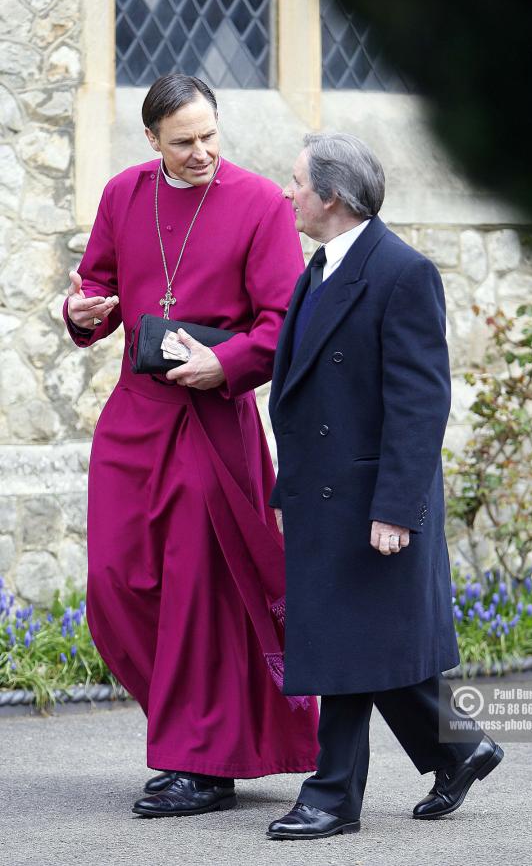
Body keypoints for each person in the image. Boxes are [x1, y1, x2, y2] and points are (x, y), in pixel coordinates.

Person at [63, 74, 319, 818]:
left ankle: (198, 763)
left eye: (210, 135)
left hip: (213, 422)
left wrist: (226, 364)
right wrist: (80, 310)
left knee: (200, 595)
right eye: (184, 141)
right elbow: (95, 291)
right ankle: (196, 730)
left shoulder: (260, 205)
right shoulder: (122, 193)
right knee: (114, 585)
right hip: (134, 420)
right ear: (153, 142)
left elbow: (283, 323)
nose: (203, 151)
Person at [265, 133, 503, 840]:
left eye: (298, 182)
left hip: (371, 499)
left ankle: (333, 795)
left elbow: (420, 402)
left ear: (333, 197)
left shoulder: (402, 272)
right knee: (366, 639)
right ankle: (459, 748)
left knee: (345, 641)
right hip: (323, 493)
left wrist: (398, 506)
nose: (289, 193)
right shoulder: (322, 268)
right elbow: (304, 398)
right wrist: (289, 490)